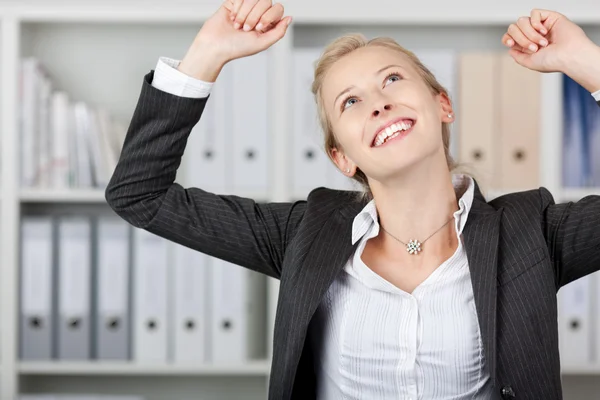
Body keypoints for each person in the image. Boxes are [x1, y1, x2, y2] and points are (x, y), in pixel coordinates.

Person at [105, 0, 600, 398]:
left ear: (441, 104)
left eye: (393, 79)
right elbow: (139, 193)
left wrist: (587, 62)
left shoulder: (530, 232)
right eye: (351, 102)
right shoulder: (304, 235)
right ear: (341, 157)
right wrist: (206, 55)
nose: (380, 103)